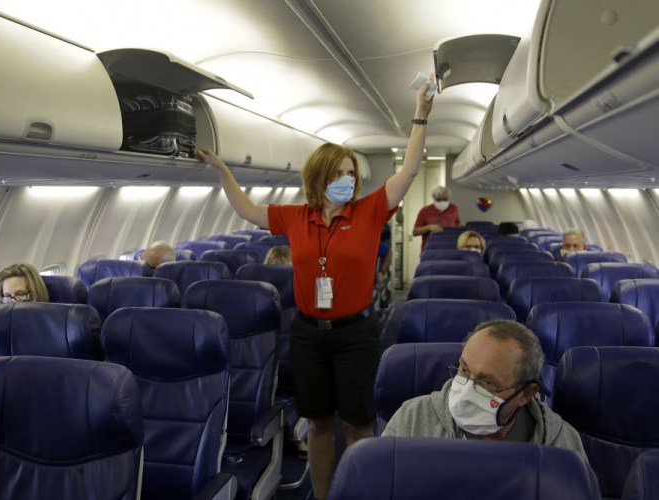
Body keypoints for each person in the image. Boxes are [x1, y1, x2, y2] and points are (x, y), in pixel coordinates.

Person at [195, 77, 434, 500]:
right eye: (338, 173)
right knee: (320, 426)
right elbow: (247, 209)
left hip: (356, 335)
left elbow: (410, 169)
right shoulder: (295, 217)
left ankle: (361, 493)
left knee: (358, 426)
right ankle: (322, 496)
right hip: (307, 334)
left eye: (350, 173)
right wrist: (223, 171)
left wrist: (420, 115)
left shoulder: (369, 210)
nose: (346, 179)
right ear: (319, 176)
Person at [381, 320, 588, 462]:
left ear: (526, 394)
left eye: (487, 382)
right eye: (464, 369)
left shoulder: (561, 445)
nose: (466, 391)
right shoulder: (412, 419)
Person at [412, 186, 461, 251]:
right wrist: (428, 227)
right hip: (430, 250)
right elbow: (415, 232)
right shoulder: (424, 211)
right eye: (438, 200)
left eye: (445, 199)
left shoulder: (453, 208)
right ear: (434, 199)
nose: (442, 202)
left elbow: (458, 225)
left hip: (450, 248)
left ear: (449, 198)